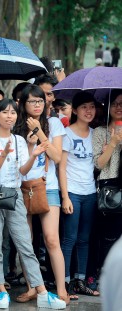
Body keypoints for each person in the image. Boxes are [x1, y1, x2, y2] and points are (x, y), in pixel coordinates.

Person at [0, 99, 66, 309]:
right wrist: (3, 153)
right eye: (5, 112)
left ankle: (42, 292)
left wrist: (33, 152)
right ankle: (1, 291)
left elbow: (23, 171)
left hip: (15, 194)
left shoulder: (19, 139)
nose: (10, 116)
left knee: (25, 244)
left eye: (13, 113)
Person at [13, 84, 69, 303]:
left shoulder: (53, 122)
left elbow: (56, 157)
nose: (37, 105)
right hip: (23, 187)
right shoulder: (16, 126)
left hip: (48, 186)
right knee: (25, 241)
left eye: (40, 101)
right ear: (23, 104)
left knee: (51, 239)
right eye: (32, 101)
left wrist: (39, 130)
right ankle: (33, 287)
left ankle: (62, 289)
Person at [59, 91, 100, 297]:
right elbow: (62, 166)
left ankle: (80, 280)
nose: (88, 111)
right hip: (72, 192)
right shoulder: (67, 134)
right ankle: (64, 283)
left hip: (90, 192)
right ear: (74, 110)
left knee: (84, 239)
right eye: (84, 107)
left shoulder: (96, 134)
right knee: (70, 239)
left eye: (92, 106)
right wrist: (65, 196)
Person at [92, 90, 122, 267]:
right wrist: (112, 144)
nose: (119, 107)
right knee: (109, 236)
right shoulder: (100, 132)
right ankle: (104, 275)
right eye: (115, 103)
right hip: (109, 188)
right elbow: (99, 164)